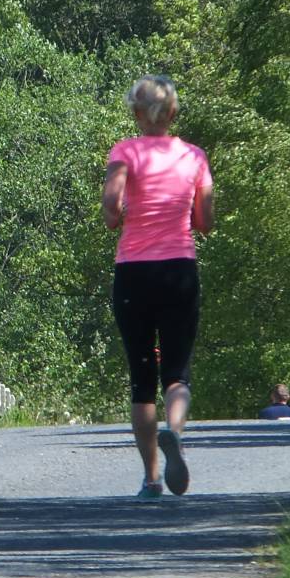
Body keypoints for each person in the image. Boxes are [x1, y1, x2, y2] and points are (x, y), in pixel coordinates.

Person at [102, 75, 214, 500]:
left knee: (141, 376)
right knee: (177, 371)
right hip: (179, 270)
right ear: (173, 113)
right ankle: (176, 432)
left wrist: (121, 212)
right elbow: (205, 222)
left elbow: (111, 210)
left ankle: (151, 478)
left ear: (136, 113)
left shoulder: (124, 152)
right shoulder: (194, 156)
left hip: (134, 273)